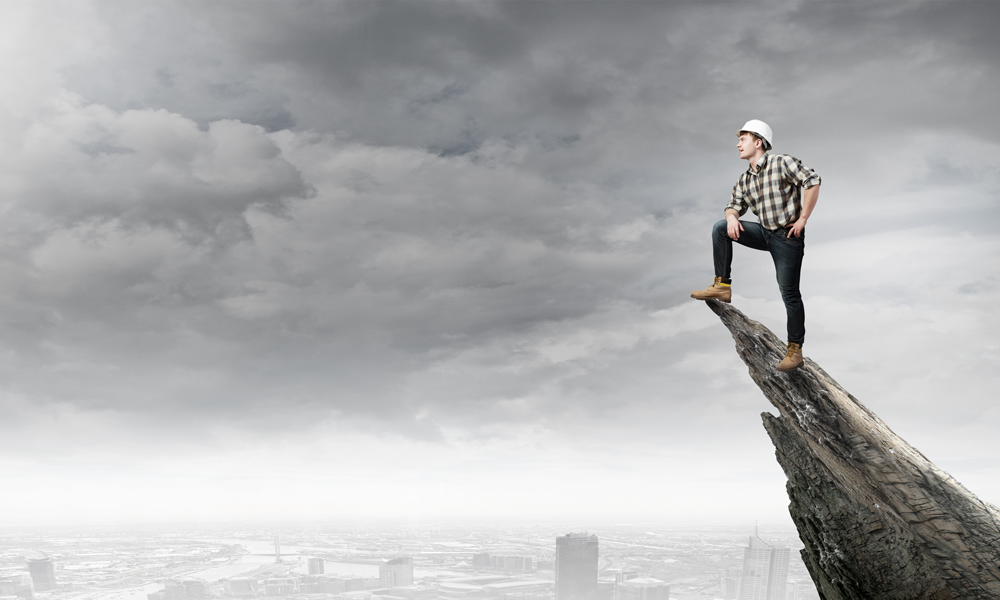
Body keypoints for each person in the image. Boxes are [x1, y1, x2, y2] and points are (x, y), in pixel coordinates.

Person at [691, 120, 821, 372]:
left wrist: (803, 219)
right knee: (720, 227)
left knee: (789, 293)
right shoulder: (745, 178)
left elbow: (812, 181)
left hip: (787, 237)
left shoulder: (782, 162)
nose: (738, 144)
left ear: (758, 141)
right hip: (764, 233)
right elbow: (734, 203)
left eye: (743, 139)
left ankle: (795, 350)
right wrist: (731, 216)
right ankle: (722, 285)